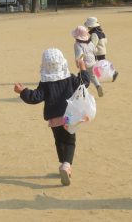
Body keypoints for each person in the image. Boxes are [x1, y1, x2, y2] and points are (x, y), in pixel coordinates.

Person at [14, 48, 90, 186]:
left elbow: (35, 97)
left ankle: (63, 164)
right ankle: (66, 165)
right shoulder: (70, 78)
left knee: (59, 141)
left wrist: (23, 91)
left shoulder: (45, 83)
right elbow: (84, 83)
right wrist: (83, 68)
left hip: (54, 119)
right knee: (70, 141)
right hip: (69, 117)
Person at [84, 16, 119, 82]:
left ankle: (109, 74)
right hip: (102, 51)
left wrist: (87, 46)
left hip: (97, 52)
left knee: (95, 65)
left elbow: (93, 44)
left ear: (91, 26)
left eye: (88, 26)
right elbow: (105, 41)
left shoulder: (94, 34)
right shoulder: (101, 32)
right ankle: (109, 73)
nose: (88, 28)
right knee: (102, 65)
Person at [72, 25, 103, 97]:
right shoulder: (90, 43)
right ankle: (98, 86)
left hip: (85, 65)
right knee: (92, 76)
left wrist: (78, 63)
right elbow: (95, 51)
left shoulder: (77, 44)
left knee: (83, 78)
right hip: (93, 63)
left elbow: (80, 55)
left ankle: (83, 93)